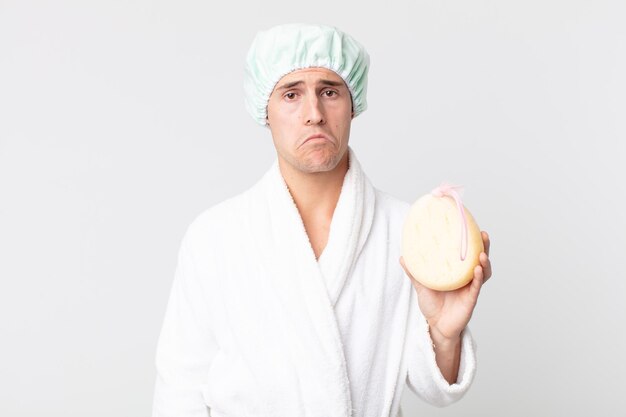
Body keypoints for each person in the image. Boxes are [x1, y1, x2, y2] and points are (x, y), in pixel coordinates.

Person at [151, 23, 492, 417]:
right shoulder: (214, 237)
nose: (314, 114)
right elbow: (179, 389)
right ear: (265, 109)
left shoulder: (408, 232)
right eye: (291, 94)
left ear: (353, 104)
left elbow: (435, 388)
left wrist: (444, 334)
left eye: (329, 92)